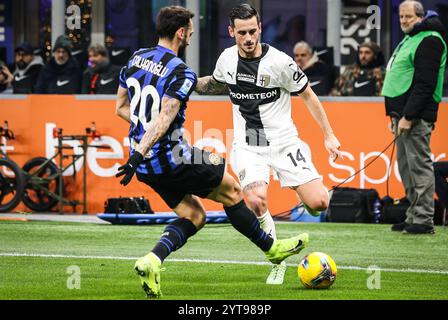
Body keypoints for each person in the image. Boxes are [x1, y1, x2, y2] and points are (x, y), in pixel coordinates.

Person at [114, 5, 309, 298]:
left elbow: (121, 108)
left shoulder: (136, 58)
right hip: (170, 157)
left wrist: (139, 151)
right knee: (232, 191)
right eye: (190, 31)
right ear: (181, 32)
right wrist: (141, 151)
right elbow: (165, 117)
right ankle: (273, 250)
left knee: (194, 215)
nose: (192, 36)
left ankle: (152, 261)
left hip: (146, 168)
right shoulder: (180, 71)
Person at [195, 4, 341, 285]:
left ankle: (303, 192)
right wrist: (185, 81)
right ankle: (277, 259)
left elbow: (308, 96)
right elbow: (215, 84)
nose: (248, 38)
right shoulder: (226, 59)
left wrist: (329, 135)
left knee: (319, 203)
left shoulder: (281, 62)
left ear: (260, 28)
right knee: (256, 199)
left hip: (284, 140)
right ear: (231, 32)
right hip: (250, 144)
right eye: (242, 33)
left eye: (253, 31)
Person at [382, 1, 447, 234]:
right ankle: (413, 215)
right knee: (407, 168)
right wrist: (393, 114)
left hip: (415, 117)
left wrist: (409, 116)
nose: (403, 21)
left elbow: (425, 84)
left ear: (420, 17)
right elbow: (399, 78)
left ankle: (423, 219)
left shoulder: (430, 40)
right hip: (402, 116)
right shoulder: (411, 38)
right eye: (400, 17)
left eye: (408, 17)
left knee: (419, 167)